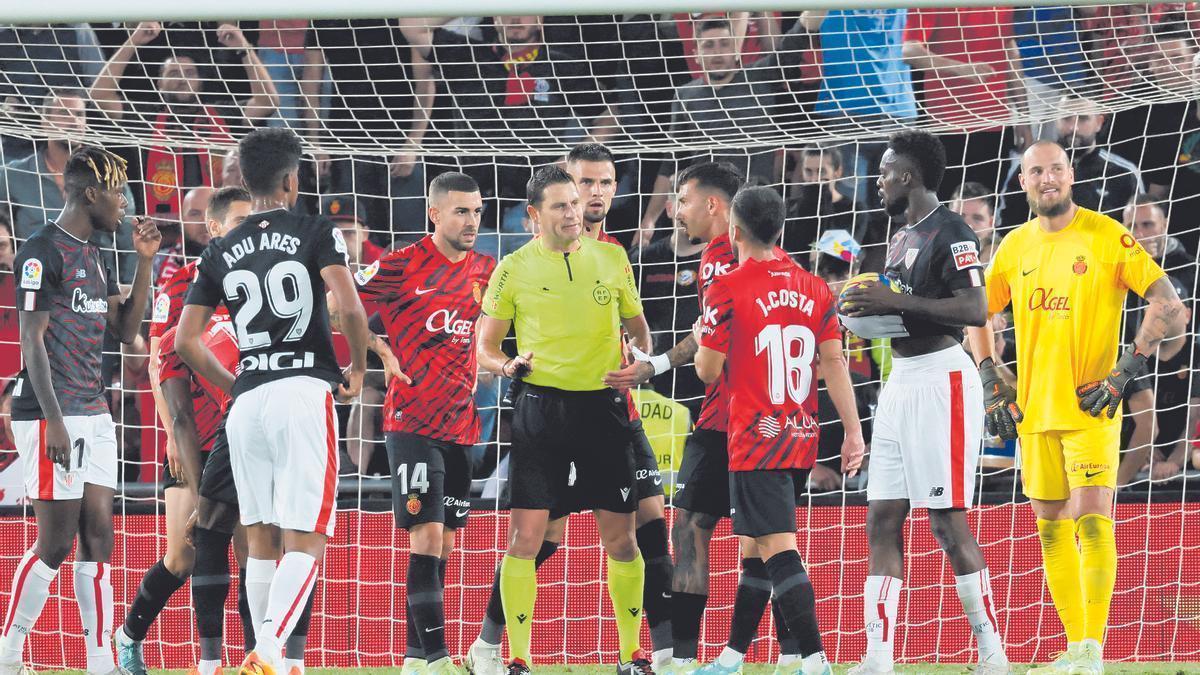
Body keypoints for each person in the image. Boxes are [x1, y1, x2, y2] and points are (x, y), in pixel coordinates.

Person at [969, 140, 1186, 675]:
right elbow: (977, 312)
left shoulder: (1107, 235)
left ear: (1071, 176)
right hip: (1034, 411)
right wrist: (989, 372)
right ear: (1022, 183)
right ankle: (1077, 650)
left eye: (1056, 169)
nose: (1047, 178)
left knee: (1092, 523)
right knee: (1049, 530)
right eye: (1036, 171)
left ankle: (1092, 651)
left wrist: (1129, 366)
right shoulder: (1014, 246)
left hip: (1093, 405)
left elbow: (1170, 305)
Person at [466, 144, 677, 673]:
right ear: (534, 214)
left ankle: (636, 653)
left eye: (575, 203)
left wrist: (640, 356)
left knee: (624, 536)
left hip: (606, 410)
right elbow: (484, 348)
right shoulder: (512, 269)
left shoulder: (612, 258)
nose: (574, 211)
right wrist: (508, 365)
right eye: (561, 204)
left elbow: (640, 329)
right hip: (540, 411)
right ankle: (514, 656)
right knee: (529, 537)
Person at [175, 127, 371, 673]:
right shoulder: (313, 229)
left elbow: (184, 343)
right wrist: (355, 367)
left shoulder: (219, 248)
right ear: (291, 178)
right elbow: (350, 307)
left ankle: (271, 658)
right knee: (306, 539)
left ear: (244, 178)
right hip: (302, 394)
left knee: (258, 538)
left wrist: (233, 384)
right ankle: (268, 648)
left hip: (247, 403)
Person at [608, 162, 798, 672]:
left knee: (723, 533)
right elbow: (706, 331)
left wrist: (665, 362)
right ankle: (709, 656)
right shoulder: (764, 261)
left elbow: (710, 352)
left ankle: (749, 655)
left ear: (715, 206)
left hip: (739, 417)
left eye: (684, 199)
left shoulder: (727, 261)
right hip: (749, 418)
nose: (675, 210)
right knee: (730, 534)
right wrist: (656, 364)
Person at [838, 131, 1008, 675]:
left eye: (885, 172)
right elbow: (907, 310)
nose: (879, 182)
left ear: (906, 177)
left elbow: (975, 308)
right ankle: (878, 659)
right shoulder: (900, 235)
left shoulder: (953, 229)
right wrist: (865, 311)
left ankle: (991, 652)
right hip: (901, 382)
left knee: (946, 522)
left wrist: (892, 298)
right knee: (882, 517)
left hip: (943, 381)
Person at [0, 146, 161, 675]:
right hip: (52, 410)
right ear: (90, 193)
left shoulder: (97, 252)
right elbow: (31, 340)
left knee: (99, 536)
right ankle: (8, 651)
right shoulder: (40, 250)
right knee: (55, 542)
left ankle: (99, 661)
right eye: (118, 192)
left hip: (93, 408)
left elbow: (128, 330)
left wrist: (142, 263)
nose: (125, 204)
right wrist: (54, 419)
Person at [691, 187, 863, 675]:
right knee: (755, 548)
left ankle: (814, 660)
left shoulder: (726, 286)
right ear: (781, 231)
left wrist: (708, 333)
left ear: (734, 231)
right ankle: (732, 657)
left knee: (778, 548)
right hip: (802, 435)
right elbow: (833, 361)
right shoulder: (815, 287)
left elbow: (707, 371)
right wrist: (852, 431)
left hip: (755, 435)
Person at [349, 171, 495, 675]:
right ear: (434, 213)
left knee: (446, 542)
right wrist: (379, 349)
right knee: (426, 538)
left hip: (463, 424)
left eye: (477, 210)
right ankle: (437, 660)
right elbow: (337, 306)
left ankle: (414, 658)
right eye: (461, 211)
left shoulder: (488, 270)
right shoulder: (401, 264)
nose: (472, 220)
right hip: (410, 421)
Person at [115, 186, 253, 674]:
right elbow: (159, 368)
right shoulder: (179, 287)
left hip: (245, 438)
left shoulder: (259, 287)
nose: (249, 228)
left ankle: (252, 660)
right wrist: (174, 437)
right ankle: (128, 636)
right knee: (183, 554)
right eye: (238, 221)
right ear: (214, 229)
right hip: (193, 432)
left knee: (248, 551)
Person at [89, 21, 280, 217]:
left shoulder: (221, 113)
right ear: (159, 84)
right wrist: (133, 41)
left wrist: (244, 48)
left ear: (200, 81)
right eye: (173, 73)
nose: (183, 79)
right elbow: (99, 96)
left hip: (221, 219)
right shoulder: (145, 117)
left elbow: (268, 101)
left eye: (190, 73)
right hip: (163, 227)